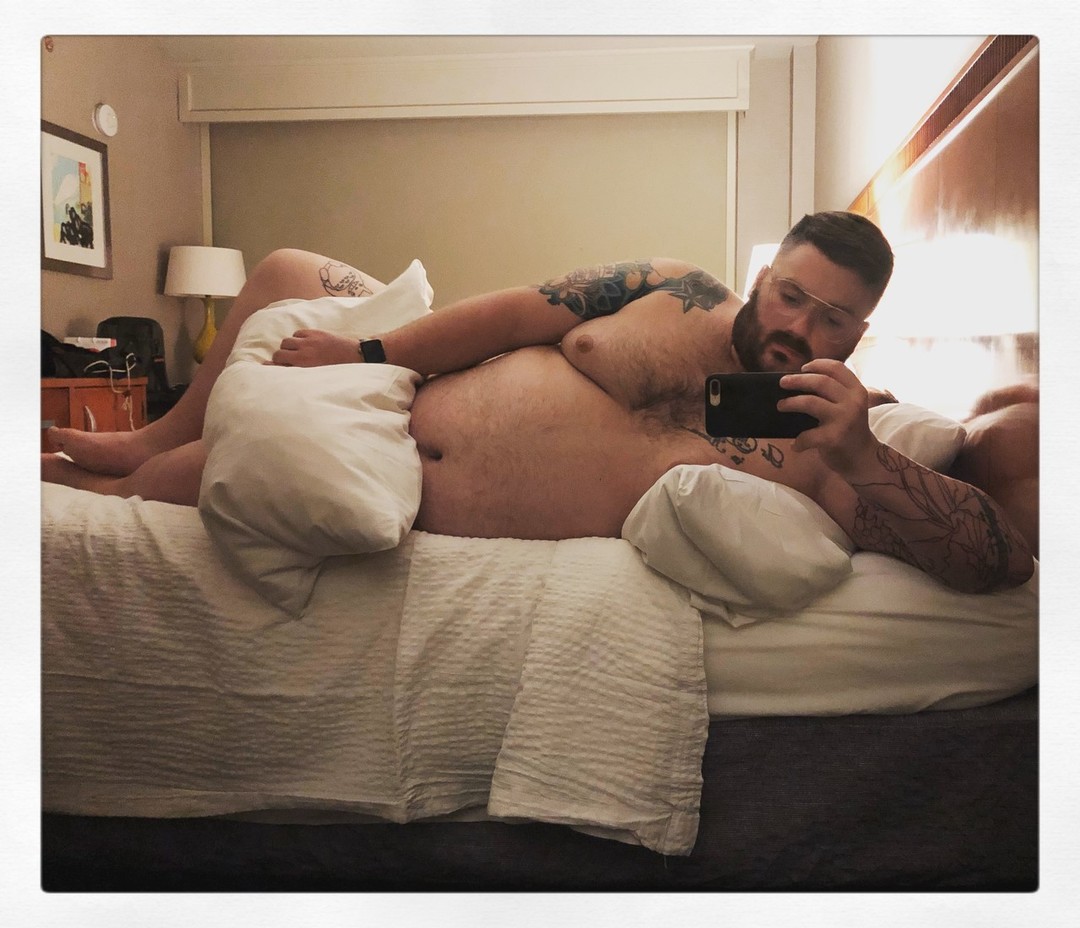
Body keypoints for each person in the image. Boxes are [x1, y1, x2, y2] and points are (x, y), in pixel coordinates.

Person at [42, 211, 1034, 594]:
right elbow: (519, 311)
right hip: (392, 398)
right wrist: (366, 350)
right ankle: (142, 435)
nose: (798, 329)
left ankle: (136, 461)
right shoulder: (678, 287)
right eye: (790, 296)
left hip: (392, 488)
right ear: (764, 278)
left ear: (859, 335)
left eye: (833, 320)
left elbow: (999, 560)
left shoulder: (830, 446)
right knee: (289, 269)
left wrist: (865, 456)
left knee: (161, 490)